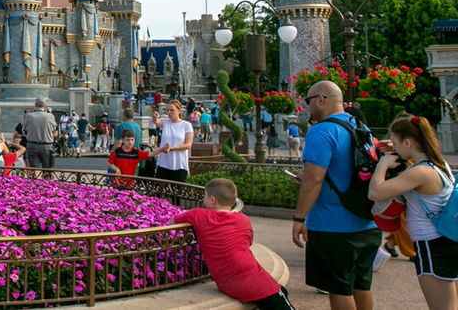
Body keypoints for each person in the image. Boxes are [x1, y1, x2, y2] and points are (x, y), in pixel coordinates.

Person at [292, 80, 380, 310]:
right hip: (366, 221)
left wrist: (300, 218)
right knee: (361, 285)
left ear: (321, 99)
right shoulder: (359, 125)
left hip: (334, 226)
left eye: (308, 101)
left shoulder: (321, 130)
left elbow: (314, 178)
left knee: (339, 288)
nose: (308, 106)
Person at [367, 116, 456, 309]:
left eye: (397, 143)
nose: (395, 148)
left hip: (431, 245)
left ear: (408, 142)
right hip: (447, 241)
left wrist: (383, 163)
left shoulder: (420, 172)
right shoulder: (441, 166)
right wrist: (396, 148)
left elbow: (375, 193)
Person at [174, 178, 295, 309]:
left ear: (212, 200)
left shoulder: (198, 215)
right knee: (278, 296)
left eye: (205, 195)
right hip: (250, 277)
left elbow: (173, 221)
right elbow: (248, 243)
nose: (204, 198)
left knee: (281, 292)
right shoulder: (243, 219)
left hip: (240, 281)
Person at [151, 101, 194, 182]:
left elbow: (188, 145)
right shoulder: (165, 121)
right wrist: (155, 117)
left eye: (172, 110)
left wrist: (172, 148)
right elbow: (156, 122)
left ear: (179, 111)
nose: (169, 113)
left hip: (179, 164)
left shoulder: (186, 125)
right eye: (167, 110)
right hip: (163, 163)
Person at [22, 98, 59, 168]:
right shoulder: (50, 116)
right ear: (45, 106)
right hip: (46, 146)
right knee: (47, 169)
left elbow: (24, 130)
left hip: (32, 145)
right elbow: (55, 132)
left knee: (34, 169)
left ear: (35, 105)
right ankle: (46, 178)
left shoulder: (28, 116)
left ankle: (36, 178)